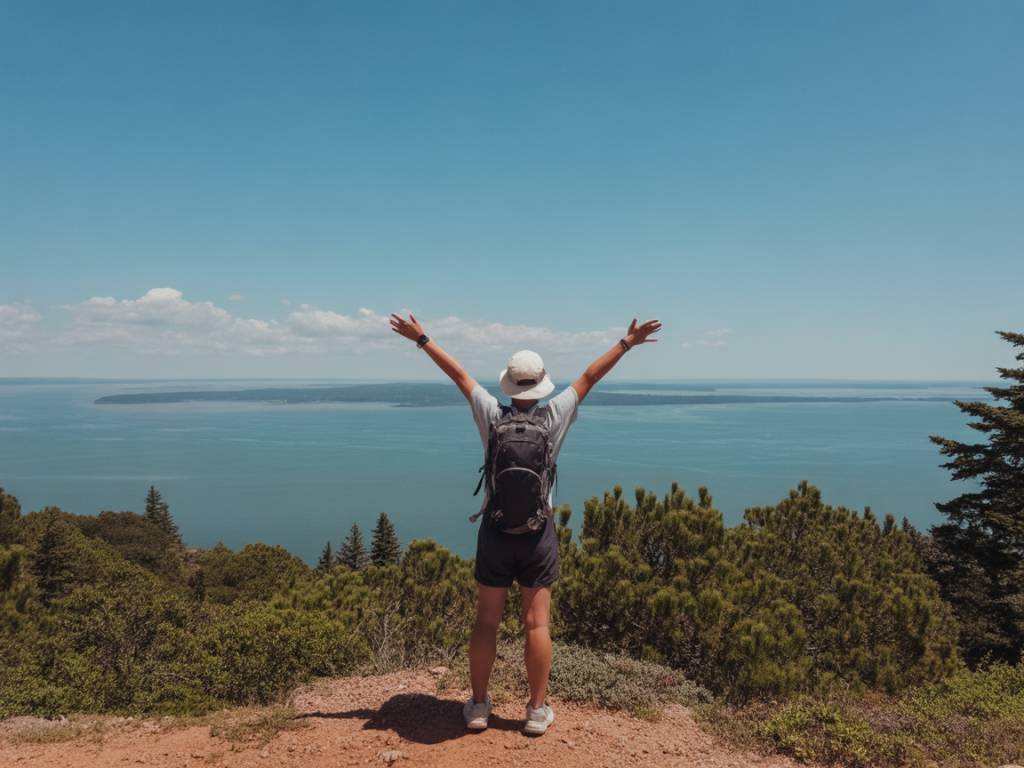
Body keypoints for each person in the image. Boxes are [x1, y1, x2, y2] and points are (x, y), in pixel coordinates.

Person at [389, 312, 662, 735]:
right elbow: (590, 376)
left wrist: (421, 338)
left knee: (486, 622)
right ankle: (536, 712)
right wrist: (627, 343)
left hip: (496, 531)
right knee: (537, 624)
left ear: (508, 384)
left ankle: (478, 707)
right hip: (538, 533)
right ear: (541, 384)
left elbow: (459, 375)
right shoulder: (554, 416)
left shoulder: (492, 416)